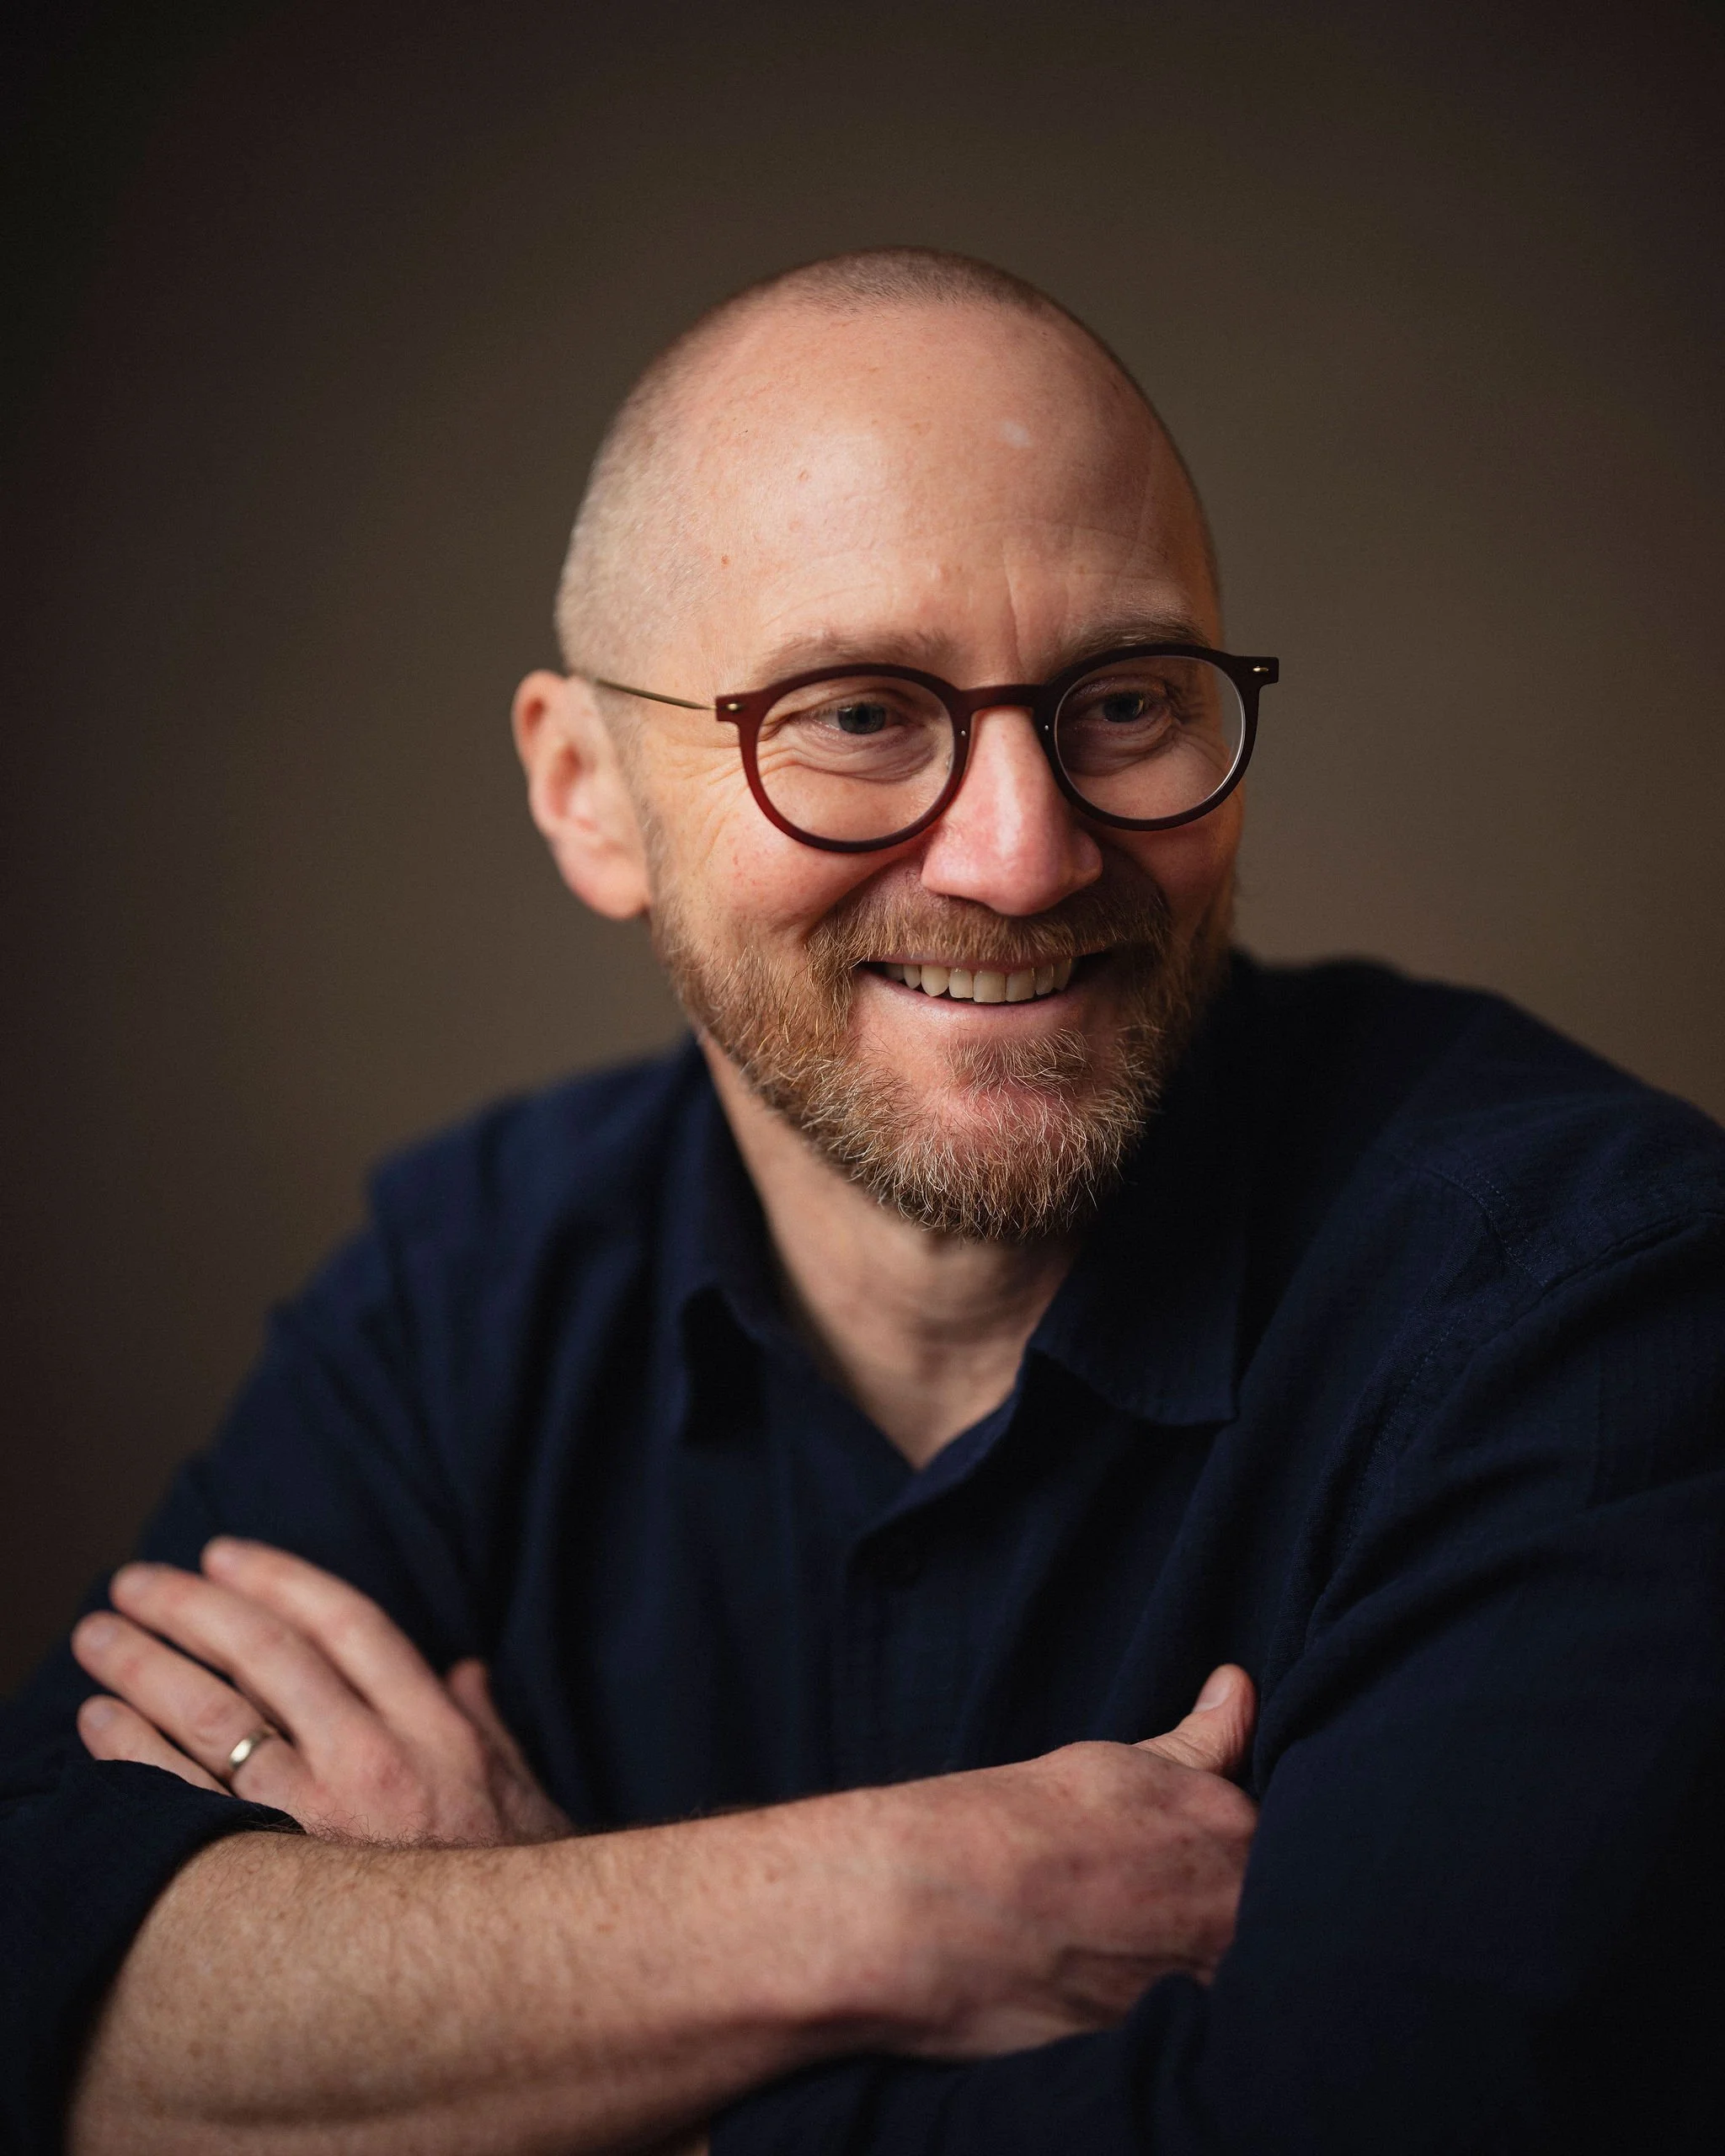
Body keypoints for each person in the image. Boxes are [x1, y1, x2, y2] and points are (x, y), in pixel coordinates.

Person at [3, 247, 1722, 2156]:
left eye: (1123, 699)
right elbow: (37, 1992)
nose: (1023, 856)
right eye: (856, 714)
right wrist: (881, 1906)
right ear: (587, 792)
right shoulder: (468, 1289)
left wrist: (492, 2017)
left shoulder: (1594, 1306)